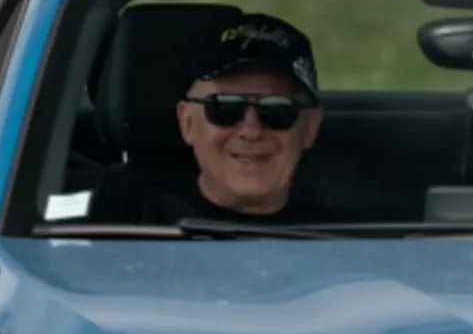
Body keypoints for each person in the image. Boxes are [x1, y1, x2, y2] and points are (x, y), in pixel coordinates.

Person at [88, 13, 326, 226]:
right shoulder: (113, 215)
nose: (251, 130)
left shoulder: (351, 229)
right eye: (224, 108)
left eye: (277, 110)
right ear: (187, 122)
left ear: (310, 127)